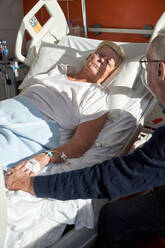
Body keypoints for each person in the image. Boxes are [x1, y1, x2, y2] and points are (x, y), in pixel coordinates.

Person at [5, 28, 165, 247]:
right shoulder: (56, 73)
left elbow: (108, 176)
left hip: (31, 130)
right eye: (100, 54)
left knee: (114, 217)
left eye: (146, 65)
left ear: (160, 71)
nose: (102, 59)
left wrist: (34, 184)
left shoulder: (96, 98)